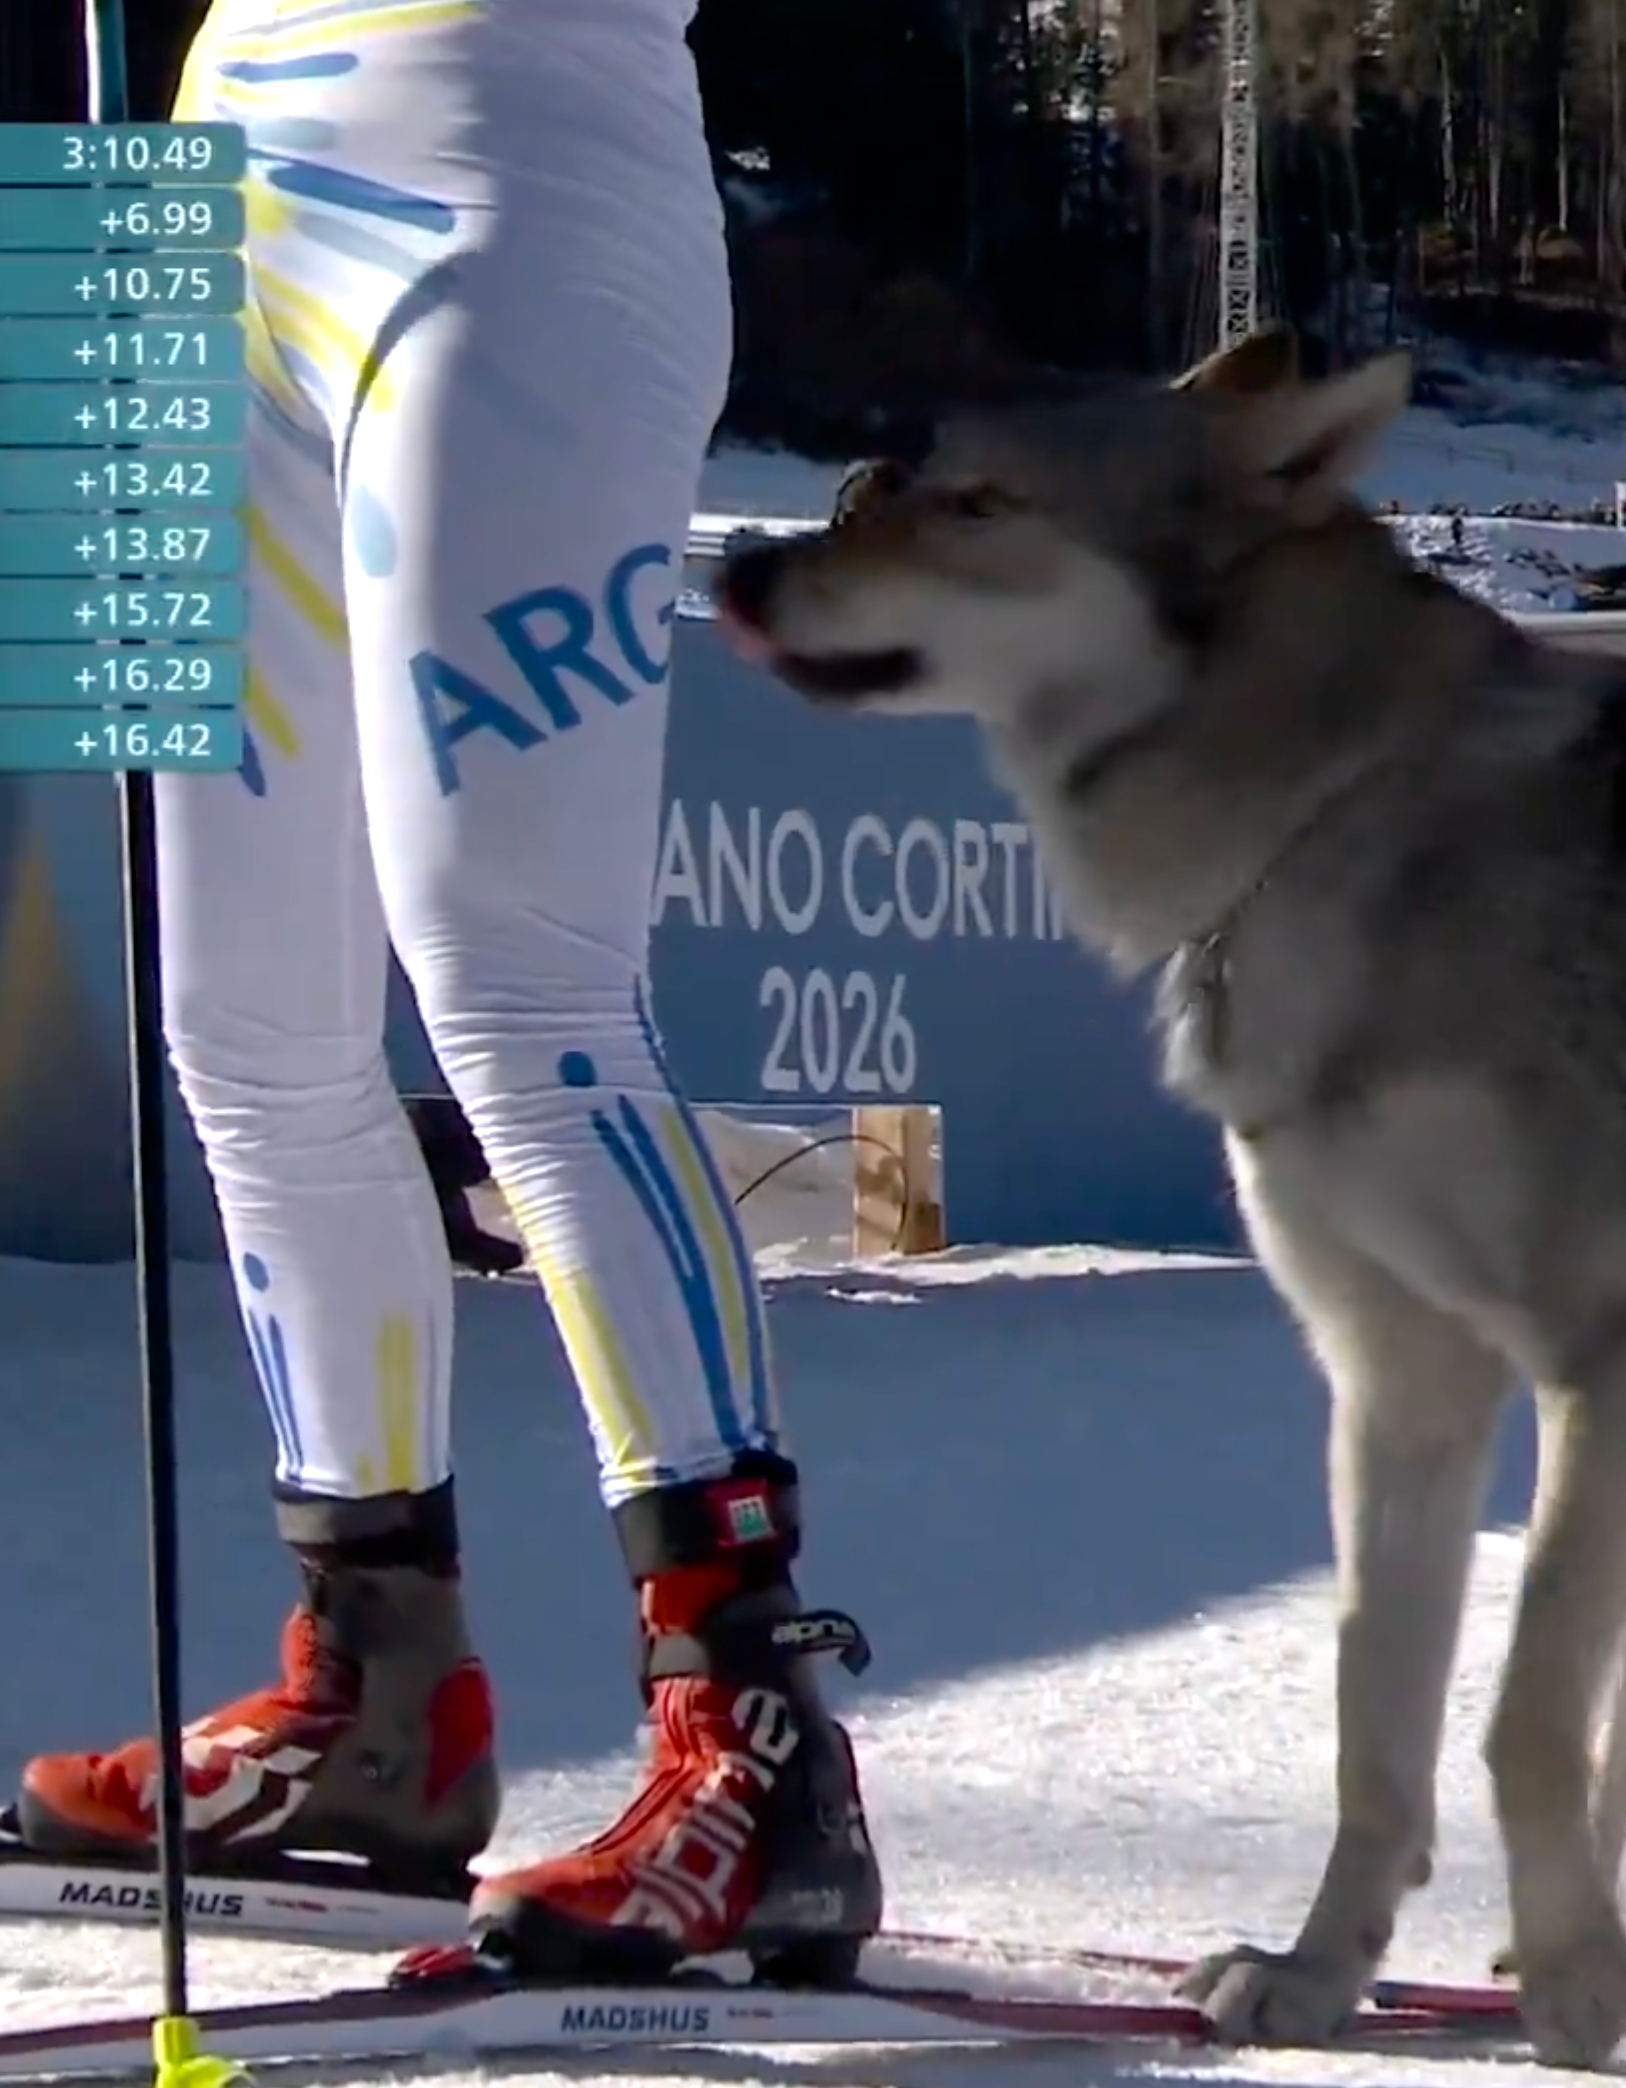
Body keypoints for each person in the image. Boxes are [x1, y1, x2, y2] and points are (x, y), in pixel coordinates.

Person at [13, 0, 881, 1982]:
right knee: (235, 1023)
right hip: (172, 195)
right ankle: (375, 1692)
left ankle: (749, 1727)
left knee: (522, 992)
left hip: (498, 155)